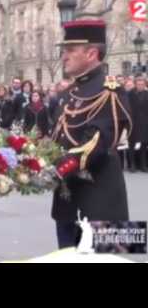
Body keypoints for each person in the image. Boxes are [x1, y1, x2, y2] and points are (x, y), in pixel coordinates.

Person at [51, 20, 132, 249]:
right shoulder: (69, 92)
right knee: (65, 255)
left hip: (100, 198)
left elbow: (97, 142)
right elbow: (55, 137)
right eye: (64, 51)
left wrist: (59, 167)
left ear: (92, 53)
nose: (63, 56)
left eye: (70, 51)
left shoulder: (111, 90)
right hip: (66, 200)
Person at [127, 75, 148, 173]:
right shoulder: (129, 94)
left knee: (144, 145)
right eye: (139, 84)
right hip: (133, 123)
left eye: (142, 84)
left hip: (145, 123)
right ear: (135, 85)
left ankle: (143, 165)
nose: (141, 86)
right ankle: (132, 165)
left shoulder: (147, 94)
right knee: (132, 145)